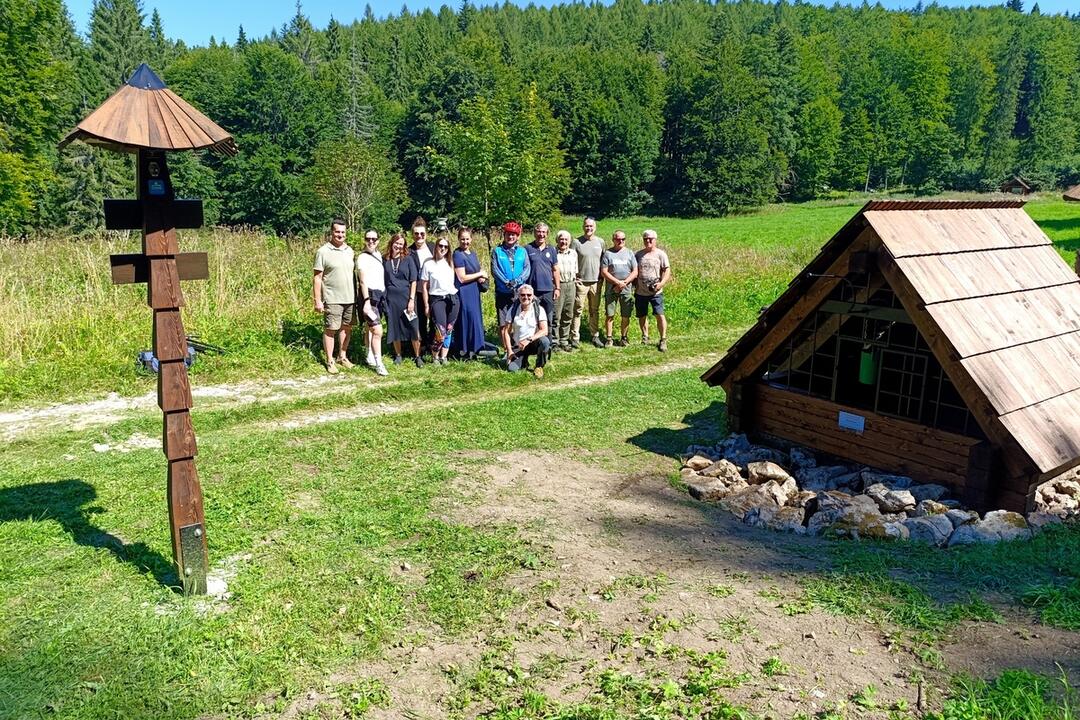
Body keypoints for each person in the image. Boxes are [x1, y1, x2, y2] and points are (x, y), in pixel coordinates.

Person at [312, 218, 355, 374]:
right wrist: (318, 300)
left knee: (346, 328)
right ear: (331, 232)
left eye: (343, 232)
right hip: (332, 298)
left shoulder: (350, 251)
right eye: (337, 231)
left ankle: (342, 356)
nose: (340, 234)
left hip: (350, 298)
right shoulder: (323, 252)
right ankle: (330, 360)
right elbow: (317, 278)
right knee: (331, 329)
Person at [384, 232, 424, 367]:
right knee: (394, 327)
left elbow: (413, 280)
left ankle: (417, 356)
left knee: (413, 327)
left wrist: (411, 299)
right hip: (391, 300)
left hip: (407, 299)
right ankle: (398, 355)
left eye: (401, 244)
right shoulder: (385, 259)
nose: (398, 246)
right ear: (392, 243)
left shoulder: (408, 259)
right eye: (396, 243)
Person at [491, 220, 531, 349]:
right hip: (503, 292)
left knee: (517, 321)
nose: (511, 237)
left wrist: (517, 281)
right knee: (503, 323)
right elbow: (495, 269)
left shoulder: (522, 251)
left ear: (517, 236)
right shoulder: (497, 251)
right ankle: (505, 349)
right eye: (508, 234)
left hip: (518, 293)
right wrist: (506, 282)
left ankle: (517, 347)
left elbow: (527, 269)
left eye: (514, 234)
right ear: (504, 235)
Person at [422, 237, 460, 365]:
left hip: (452, 298)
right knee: (440, 331)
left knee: (449, 329)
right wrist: (426, 305)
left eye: (445, 246)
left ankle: (444, 356)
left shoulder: (450, 262)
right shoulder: (428, 264)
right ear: (436, 247)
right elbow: (425, 287)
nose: (443, 248)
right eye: (440, 246)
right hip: (437, 300)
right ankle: (435, 356)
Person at [355, 229, 388, 376]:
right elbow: (362, 280)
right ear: (364, 240)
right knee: (377, 330)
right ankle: (379, 363)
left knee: (370, 328)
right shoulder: (362, 258)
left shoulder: (378, 255)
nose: (371, 242)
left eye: (374, 239)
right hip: (368, 296)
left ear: (378, 241)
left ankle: (368, 353)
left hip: (379, 296)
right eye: (368, 239)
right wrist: (366, 301)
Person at [452, 227, 487, 360]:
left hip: (474, 290)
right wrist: (480, 274)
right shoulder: (458, 255)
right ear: (458, 239)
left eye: (467, 239)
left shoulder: (472, 253)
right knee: (467, 319)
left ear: (471, 239)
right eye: (462, 239)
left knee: (475, 319)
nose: (465, 242)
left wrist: (480, 277)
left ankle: (476, 348)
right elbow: (462, 277)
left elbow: (474, 271)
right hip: (464, 291)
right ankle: (464, 349)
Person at [634, 229, 672, 352]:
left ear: (655, 240)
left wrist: (661, 284)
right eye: (645, 239)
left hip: (656, 292)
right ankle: (645, 336)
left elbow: (667, 270)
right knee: (642, 315)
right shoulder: (638, 254)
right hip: (640, 291)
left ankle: (663, 339)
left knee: (659, 314)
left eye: (651, 239)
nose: (648, 241)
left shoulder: (661, 254)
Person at [600, 230, 639, 348]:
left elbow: (635, 271)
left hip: (626, 288)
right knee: (610, 314)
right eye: (618, 239)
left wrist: (625, 283)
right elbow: (604, 271)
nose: (620, 241)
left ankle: (624, 337)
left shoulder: (630, 253)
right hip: (611, 288)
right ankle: (609, 338)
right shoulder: (608, 253)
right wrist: (617, 283)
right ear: (613, 240)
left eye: (623, 239)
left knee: (625, 315)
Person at [502, 283, 550, 378]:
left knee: (545, 342)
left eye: (529, 295)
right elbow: (506, 332)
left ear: (533, 296)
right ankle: (523, 361)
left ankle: (539, 366)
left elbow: (544, 330)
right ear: (518, 296)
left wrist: (529, 340)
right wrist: (509, 351)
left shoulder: (539, 310)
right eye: (523, 295)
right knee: (512, 369)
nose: (526, 297)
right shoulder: (512, 310)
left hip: (533, 344)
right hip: (518, 346)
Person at [571, 216, 605, 347]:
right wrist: (575, 276)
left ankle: (595, 336)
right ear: (583, 227)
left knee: (594, 310)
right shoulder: (576, 242)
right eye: (586, 226)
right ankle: (575, 337)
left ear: (595, 227)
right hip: (581, 282)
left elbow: (603, 261)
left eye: (591, 226)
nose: (589, 228)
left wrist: (602, 277)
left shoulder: (600, 242)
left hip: (596, 282)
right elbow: (571, 260)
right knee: (578, 310)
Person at [526, 222, 560, 332]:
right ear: (534, 233)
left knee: (548, 319)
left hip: (548, 291)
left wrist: (557, 288)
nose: (541, 234)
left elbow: (555, 270)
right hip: (532, 291)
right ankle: (534, 345)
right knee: (533, 319)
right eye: (539, 232)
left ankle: (548, 345)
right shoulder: (527, 249)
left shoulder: (552, 250)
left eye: (544, 232)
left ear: (547, 234)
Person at [409, 217, 436, 353]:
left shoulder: (433, 248)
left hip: (435, 291)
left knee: (434, 320)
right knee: (420, 320)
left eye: (422, 234)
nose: (419, 236)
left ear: (426, 234)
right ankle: (422, 346)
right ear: (413, 235)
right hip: (418, 292)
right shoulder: (409, 251)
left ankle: (433, 345)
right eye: (416, 234)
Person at [553, 230, 578, 352]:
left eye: (566, 239)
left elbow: (575, 270)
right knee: (556, 315)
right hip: (559, 285)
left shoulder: (573, 253)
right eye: (561, 239)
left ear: (569, 241)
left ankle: (564, 340)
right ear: (557, 240)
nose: (563, 242)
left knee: (568, 314)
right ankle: (555, 341)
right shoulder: (553, 252)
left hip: (571, 284)